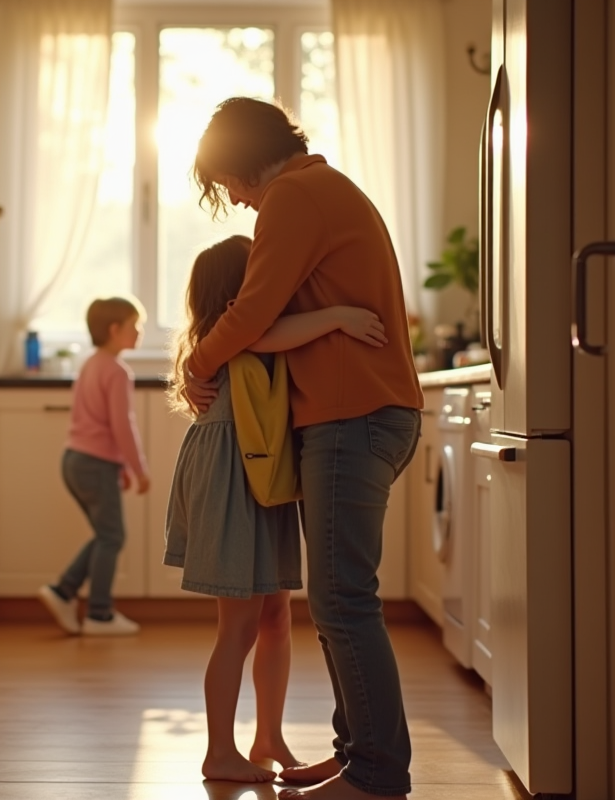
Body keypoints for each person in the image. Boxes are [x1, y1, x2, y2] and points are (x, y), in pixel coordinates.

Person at [186, 98, 425, 800]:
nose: (234, 198)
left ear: (246, 158)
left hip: (353, 416)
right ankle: (358, 754)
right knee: (337, 597)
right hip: (364, 413)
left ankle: (378, 776)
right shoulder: (324, 190)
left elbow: (254, 312)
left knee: (343, 599)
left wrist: (198, 364)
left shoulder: (294, 195)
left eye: (228, 181)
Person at [164, 234, 389, 785]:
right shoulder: (233, 336)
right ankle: (219, 751)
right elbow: (274, 330)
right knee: (238, 626)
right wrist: (338, 314)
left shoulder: (238, 339)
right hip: (231, 476)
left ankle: (268, 734)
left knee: (275, 618)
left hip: (258, 475)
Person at [37, 297, 150, 636]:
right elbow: (121, 425)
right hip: (94, 463)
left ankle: (64, 591)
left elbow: (94, 423)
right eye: (136, 325)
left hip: (75, 460)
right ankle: (99, 613)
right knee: (112, 536)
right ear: (115, 330)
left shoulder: (90, 364)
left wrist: (121, 467)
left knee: (106, 535)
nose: (140, 332)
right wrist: (139, 468)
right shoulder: (116, 371)